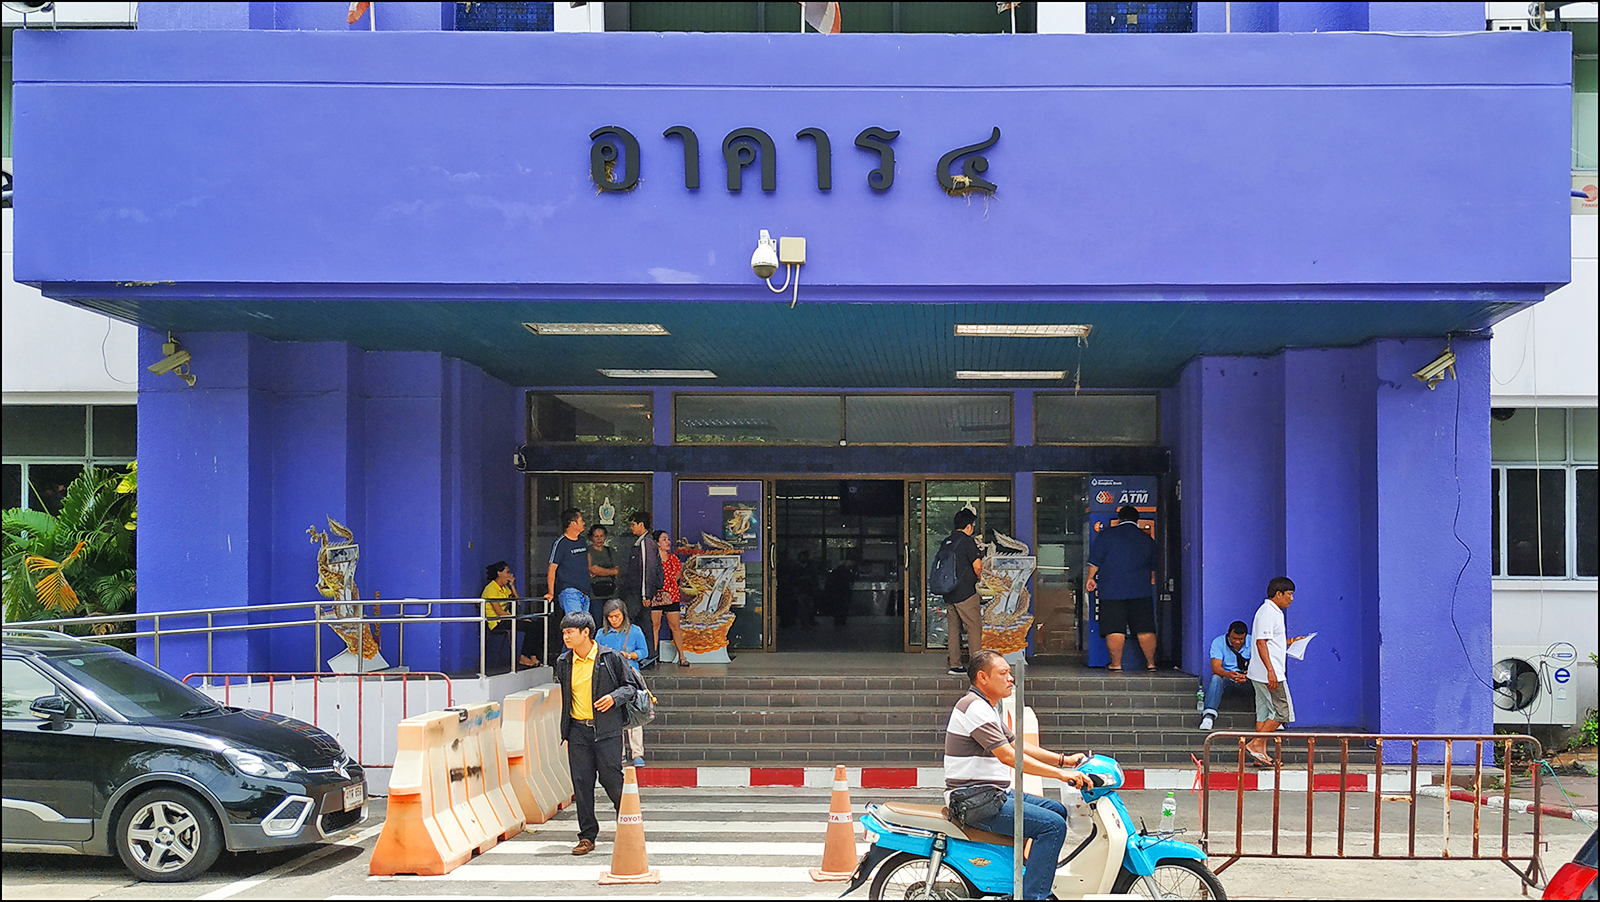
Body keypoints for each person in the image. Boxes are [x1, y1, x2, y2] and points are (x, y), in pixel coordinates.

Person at [945, 649, 1091, 901]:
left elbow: (1017, 745)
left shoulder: (985, 706)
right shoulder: (974, 708)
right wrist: (1061, 775)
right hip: (975, 800)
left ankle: (1027, 877)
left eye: (1010, 673)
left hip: (991, 794)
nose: (1010, 678)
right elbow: (1008, 756)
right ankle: (1033, 895)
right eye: (1003, 673)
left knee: (1057, 811)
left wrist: (1064, 760)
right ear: (982, 677)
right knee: (1052, 826)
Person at [553, 610, 637, 856]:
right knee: (582, 783)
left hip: (607, 731)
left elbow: (630, 687)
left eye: (570, 632)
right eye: (564, 632)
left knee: (612, 779)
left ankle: (628, 825)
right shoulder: (564, 662)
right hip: (577, 731)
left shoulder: (610, 658)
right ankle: (587, 836)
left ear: (585, 632)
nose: (566, 637)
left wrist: (613, 698)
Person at [1085, 504, 1159, 672]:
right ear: (1137, 520)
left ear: (1119, 519)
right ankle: (1151, 663)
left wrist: (1090, 578)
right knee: (1145, 628)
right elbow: (1153, 568)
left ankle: (1116, 664)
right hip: (1141, 590)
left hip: (1111, 590)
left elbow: (1095, 561)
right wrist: (1150, 580)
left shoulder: (1106, 535)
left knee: (1114, 628)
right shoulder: (1147, 539)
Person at [1244, 577, 1308, 766]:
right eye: (1289, 594)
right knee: (1283, 712)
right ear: (1278, 594)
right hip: (1270, 674)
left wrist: (1291, 642)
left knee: (1264, 713)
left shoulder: (1271, 612)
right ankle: (1256, 744)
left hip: (1260, 673)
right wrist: (1271, 671)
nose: (1292, 599)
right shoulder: (1269, 612)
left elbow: (1271, 641)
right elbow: (1261, 642)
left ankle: (1260, 755)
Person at [596, 599, 650, 767]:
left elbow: (644, 652)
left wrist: (629, 655)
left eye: (617, 616)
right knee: (614, 717)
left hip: (631, 677)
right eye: (611, 617)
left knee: (635, 715)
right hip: (610, 678)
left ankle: (637, 753)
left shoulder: (635, 631)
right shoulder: (601, 634)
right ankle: (618, 753)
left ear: (624, 615)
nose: (614, 620)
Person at [940, 509, 985, 677]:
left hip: (949, 592)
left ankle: (955, 665)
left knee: (953, 629)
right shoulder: (967, 542)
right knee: (973, 628)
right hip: (966, 593)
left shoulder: (947, 542)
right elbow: (977, 565)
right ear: (968, 527)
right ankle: (976, 667)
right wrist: (979, 578)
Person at [645, 530, 691, 667]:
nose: (668, 542)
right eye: (664, 539)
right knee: (655, 626)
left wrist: (670, 584)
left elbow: (678, 574)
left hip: (672, 595)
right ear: (657, 542)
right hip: (656, 595)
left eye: (668, 539)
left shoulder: (673, 558)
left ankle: (682, 656)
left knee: (675, 626)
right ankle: (653, 657)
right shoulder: (652, 559)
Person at [1198, 620, 1251, 730]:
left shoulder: (1253, 642)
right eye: (1234, 638)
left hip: (1248, 680)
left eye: (1241, 639)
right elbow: (1216, 668)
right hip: (1228, 680)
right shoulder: (1219, 642)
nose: (1237, 642)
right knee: (1216, 678)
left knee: (1264, 680)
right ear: (1228, 633)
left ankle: (1271, 718)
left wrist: (1249, 675)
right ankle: (1208, 716)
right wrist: (1228, 675)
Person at [614, 511, 661, 631]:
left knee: (630, 622)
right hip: (637, 592)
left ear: (641, 525)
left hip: (638, 594)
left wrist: (646, 595)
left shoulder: (646, 543)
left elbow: (648, 569)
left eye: (633, 525)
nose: (631, 528)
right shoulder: (639, 542)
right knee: (643, 625)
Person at [481, 561, 531, 671]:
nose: (510, 575)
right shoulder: (491, 589)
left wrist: (512, 585)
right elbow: (500, 613)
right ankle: (523, 657)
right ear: (499, 573)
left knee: (535, 625)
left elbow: (518, 602)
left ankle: (532, 656)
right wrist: (518, 619)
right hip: (497, 622)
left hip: (507, 619)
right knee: (529, 627)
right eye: (507, 572)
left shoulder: (504, 588)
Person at [545, 507, 592, 618]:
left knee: (584, 623)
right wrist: (551, 592)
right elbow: (552, 569)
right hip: (569, 591)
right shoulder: (561, 543)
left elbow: (587, 559)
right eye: (581, 520)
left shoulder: (582, 541)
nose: (583, 523)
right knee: (575, 623)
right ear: (572, 523)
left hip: (585, 591)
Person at [587, 524, 619, 624]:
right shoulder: (588, 551)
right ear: (591, 537)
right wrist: (610, 571)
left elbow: (617, 571)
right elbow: (592, 569)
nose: (599, 539)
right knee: (597, 621)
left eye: (601, 536)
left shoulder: (610, 551)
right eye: (596, 536)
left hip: (610, 593)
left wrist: (599, 571)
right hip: (594, 594)